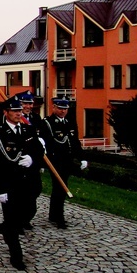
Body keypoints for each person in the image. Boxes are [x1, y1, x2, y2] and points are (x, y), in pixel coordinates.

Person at [0, 95, 45, 271]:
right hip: (9, 182)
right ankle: (16, 257)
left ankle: (5, 228)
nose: (19, 113)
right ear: (6, 113)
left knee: (29, 211)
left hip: (27, 182)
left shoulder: (28, 130)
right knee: (12, 220)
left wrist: (33, 159)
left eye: (20, 110)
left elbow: (39, 150)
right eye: (15, 111)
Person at [40, 98, 87, 229]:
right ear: (54, 108)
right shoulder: (47, 123)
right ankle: (59, 217)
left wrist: (82, 158)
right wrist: (43, 164)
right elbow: (45, 144)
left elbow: (75, 142)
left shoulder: (70, 122)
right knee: (60, 187)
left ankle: (53, 214)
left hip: (68, 160)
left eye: (65, 109)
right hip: (55, 161)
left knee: (60, 187)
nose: (63, 111)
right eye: (60, 108)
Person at [17, 90, 44, 229]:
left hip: (34, 160)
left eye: (30, 103)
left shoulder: (36, 118)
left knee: (36, 189)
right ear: (20, 103)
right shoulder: (16, 119)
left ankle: (27, 216)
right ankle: (21, 220)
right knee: (22, 191)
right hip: (21, 160)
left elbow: (40, 138)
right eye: (25, 103)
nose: (28, 106)